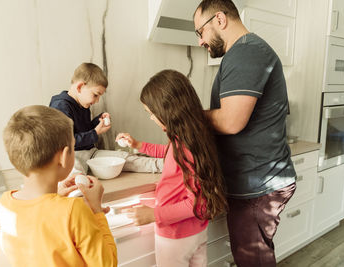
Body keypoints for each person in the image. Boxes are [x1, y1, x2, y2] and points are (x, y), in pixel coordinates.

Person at [193, 0, 297, 266]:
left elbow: (230, 121)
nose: (201, 41)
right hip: (257, 181)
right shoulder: (244, 52)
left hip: (259, 184)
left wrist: (189, 115)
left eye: (200, 32)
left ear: (219, 19)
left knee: (254, 261)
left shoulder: (246, 53)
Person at [118, 69, 228, 267]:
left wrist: (153, 214)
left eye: (152, 113)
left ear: (169, 110)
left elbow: (197, 204)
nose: (152, 118)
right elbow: (170, 152)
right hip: (197, 232)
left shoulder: (185, 145)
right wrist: (138, 145)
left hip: (175, 235)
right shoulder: (191, 138)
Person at [0, 105, 117, 267]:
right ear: (63, 156)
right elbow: (107, 264)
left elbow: (35, 235)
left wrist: (57, 196)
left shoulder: (6, 202)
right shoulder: (73, 210)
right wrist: (97, 210)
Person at [49, 62, 163, 174]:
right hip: (72, 156)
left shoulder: (83, 103)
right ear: (80, 87)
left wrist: (98, 121)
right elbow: (66, 142)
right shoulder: (61, 106)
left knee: (124, 158)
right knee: (75, 172)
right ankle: (78, 187)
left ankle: (163, 165)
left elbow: (84, 129)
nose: (97, 100)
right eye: (95, 95)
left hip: (92, 153)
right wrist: (95, 132)